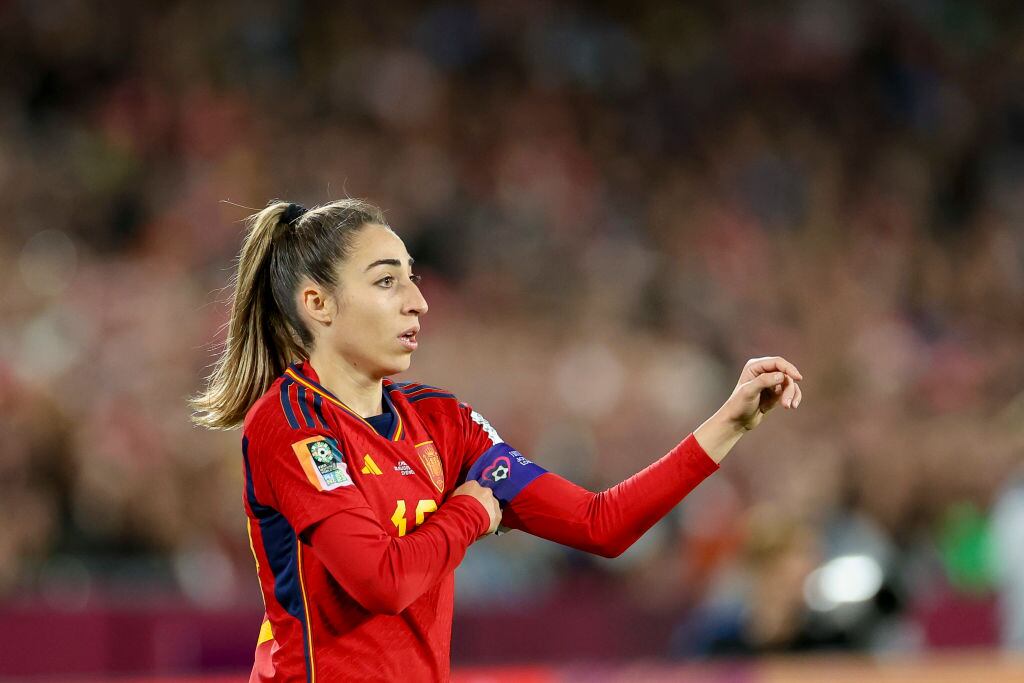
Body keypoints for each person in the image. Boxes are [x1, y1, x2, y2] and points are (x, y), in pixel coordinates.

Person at [191, 198, 803, 682]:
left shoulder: (443, 423)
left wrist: (729, 423)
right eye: (386, 282)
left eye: (413, 278)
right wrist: (468, 512)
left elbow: (601, 524)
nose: (419, 302)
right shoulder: (292, 422)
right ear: (318, 303)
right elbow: (379, 582)